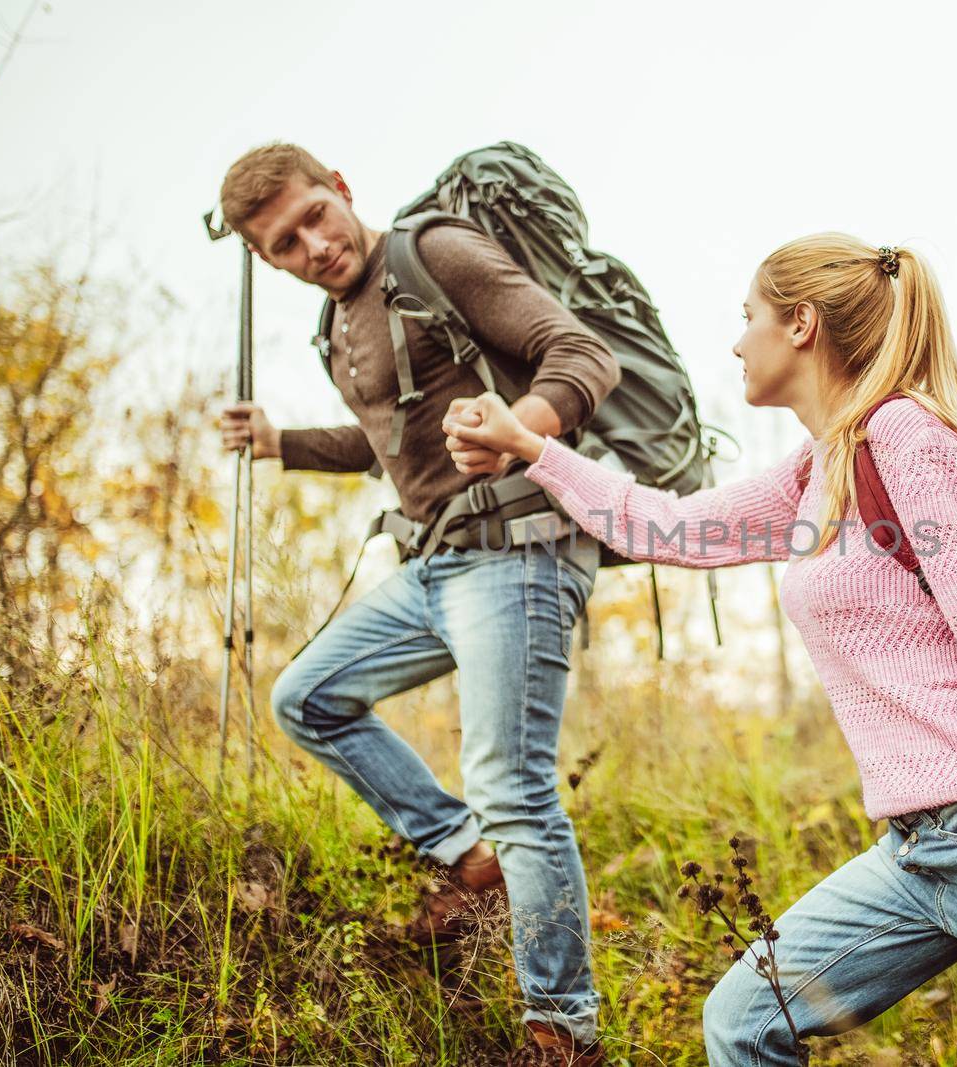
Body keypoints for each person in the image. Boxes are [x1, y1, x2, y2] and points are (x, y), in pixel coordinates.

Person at [441, 233, 957, 1065]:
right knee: (745, 1020)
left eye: (746, 316)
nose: (735, 340)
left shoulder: (909, 439)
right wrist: (532, 448)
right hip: (916, 854)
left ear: (801, 325)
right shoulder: (819, 469)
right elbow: (668, 527)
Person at [216, 142, 619, 1066]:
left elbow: (582, 354)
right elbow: (380, 445)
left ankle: (565, 1031)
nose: (313, 245)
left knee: (515, 790)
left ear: (342, 189)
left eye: (316, 215)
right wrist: (280, 441)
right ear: (266, 259)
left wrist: (526, 426)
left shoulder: (436, 254)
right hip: (436, 563)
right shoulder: (336, 326)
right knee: (306, 697)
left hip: (521, 551)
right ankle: (466, 854)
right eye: (285, 244)